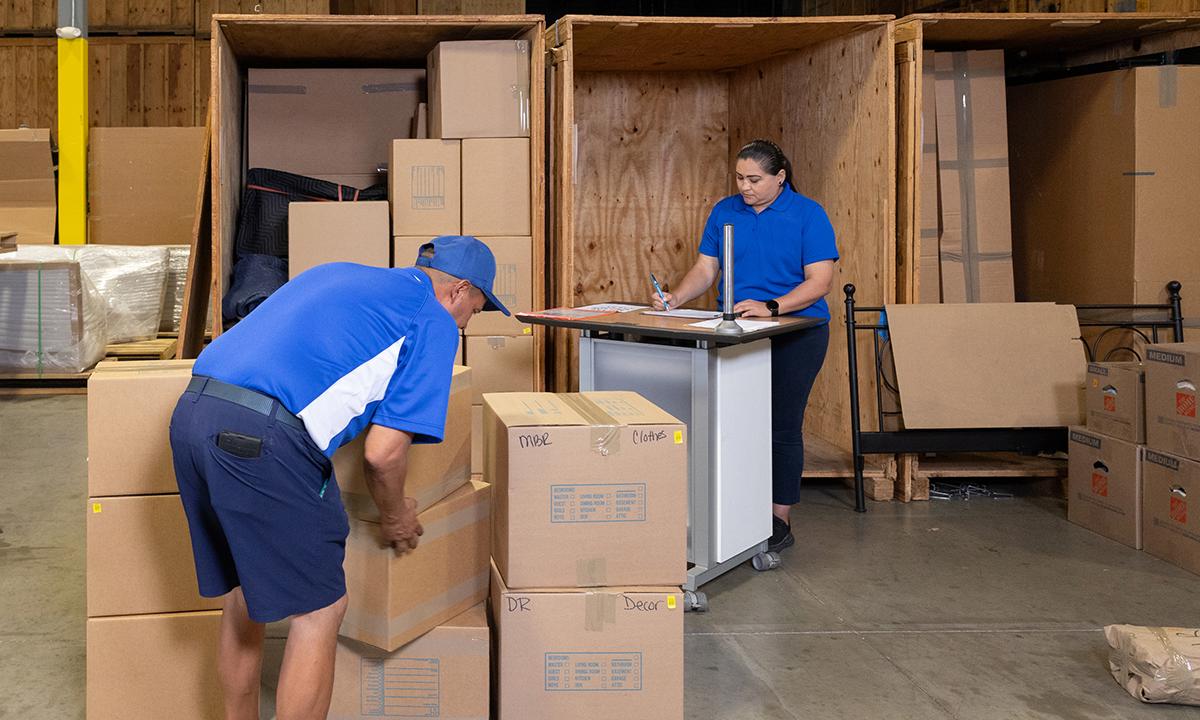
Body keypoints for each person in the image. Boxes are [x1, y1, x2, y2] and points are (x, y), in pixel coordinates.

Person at [169, 236, 508, 720]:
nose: (466, 321)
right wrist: (394, 516)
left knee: (246, 590)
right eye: (474, 309)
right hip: (263, 438)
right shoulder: (432, 320)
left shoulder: (341, 272)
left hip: (192, 413)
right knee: (320, 610)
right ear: (458, 291)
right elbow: (382, 453)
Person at [651, 139, 838, 554]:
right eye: (739, 178)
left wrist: (773, 307)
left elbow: (819, 282)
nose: (745, 187)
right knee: (729, 423)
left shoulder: (809, 214)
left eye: (755, 179)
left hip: (797, 332)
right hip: (738, 330)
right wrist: (675, 299)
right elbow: (705, 268)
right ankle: (731, 509)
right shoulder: (725, 211)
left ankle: (778, 520)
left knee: (781, 425)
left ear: (780, 178)